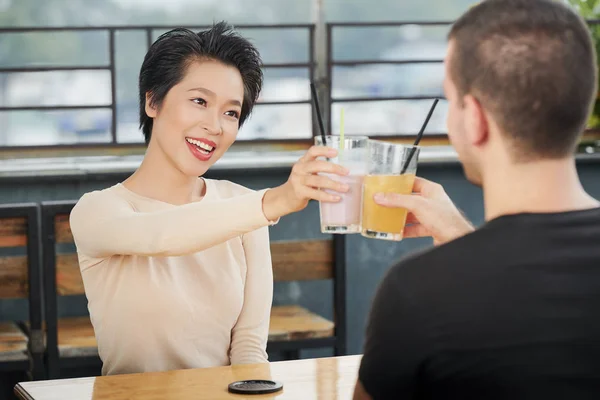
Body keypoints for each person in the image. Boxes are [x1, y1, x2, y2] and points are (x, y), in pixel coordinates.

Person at [69, 22, 349, 376]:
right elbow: (160, 236)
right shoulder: (98, 211)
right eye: (199, 101)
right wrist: (277, 201)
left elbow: (248, 346)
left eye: (231, 112)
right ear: (152, 101)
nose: (215, 126)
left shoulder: (242, 206)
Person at [354, 0, 600, 399]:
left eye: (450, 101)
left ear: (475, 118)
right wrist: (462, 241)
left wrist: (459, 260)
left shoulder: (418, 292)